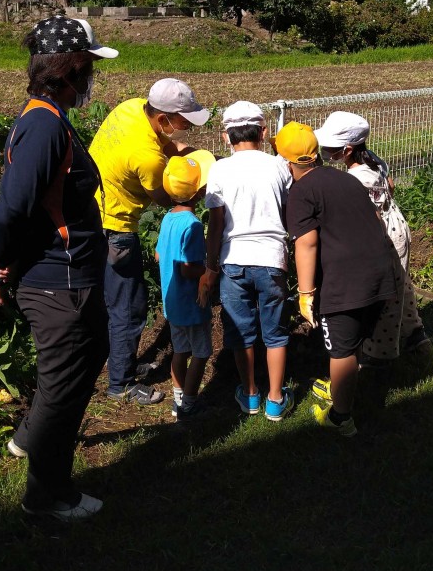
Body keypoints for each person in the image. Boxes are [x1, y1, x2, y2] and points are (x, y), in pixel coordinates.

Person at [0, 14, 117, 521]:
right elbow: (9, 212)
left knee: (88, 358)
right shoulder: (42, 125)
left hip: (71, 278)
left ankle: (30, 439)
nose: (92, 81)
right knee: (63, 390)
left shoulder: (50, 118)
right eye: (88, 69)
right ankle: (46, 497)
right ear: (67, 71)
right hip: (57, 284)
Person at [89, 78, 210, 406]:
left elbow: (166, 148)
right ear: (164, 118)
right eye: (183, 121)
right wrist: (196, 183)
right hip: (116, 228)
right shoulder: (147, 157)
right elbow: (167, 197)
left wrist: (183, 154)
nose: (185, 127)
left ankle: (121, 364)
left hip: (92, 210)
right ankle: (121, 383)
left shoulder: (130, 108)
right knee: (128, 307)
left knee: (120, 301)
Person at [276, 122, 398, 437]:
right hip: (379, 274)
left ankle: (341, 418)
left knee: (340, 350)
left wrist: (306, 293)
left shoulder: (302, 191)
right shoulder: (346, 178)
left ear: (288, 162)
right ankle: (342, 390)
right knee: (353, 342)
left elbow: (306, 242)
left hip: (346, 282)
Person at [199, 101, 294, 421]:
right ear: (264, 132)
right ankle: (276, 399)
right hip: (271, 258)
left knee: (241, 332)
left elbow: (215, 224)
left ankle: (251, 394)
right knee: (276, 332)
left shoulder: (220, 169)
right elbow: (287, 211)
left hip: (233, 261)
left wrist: (211, 267)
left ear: (226, 137)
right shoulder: (279, 166)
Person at [313, 111, 429, 369]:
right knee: (401, 283)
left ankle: (381, 355)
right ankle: (413, 332)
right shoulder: (373, 161)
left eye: (330, 148)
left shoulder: (357, 179)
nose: (325, 152)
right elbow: (391, 186)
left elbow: (367, 215)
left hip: (384, 234)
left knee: (386, 294)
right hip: (395, 223)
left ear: (347, 149)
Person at [155, 150, 216, 421]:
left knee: (180, 350)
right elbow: (187, 268)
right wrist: (211, 271)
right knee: (201, 353)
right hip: (192, 303)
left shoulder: (169, 217)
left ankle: (177, 398)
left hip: (172, 301)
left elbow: (158, 255)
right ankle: (190, 404)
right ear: (198, 192)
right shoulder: (192, 225)